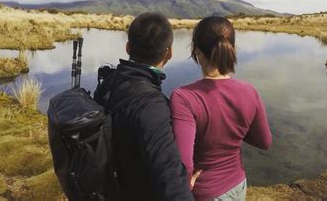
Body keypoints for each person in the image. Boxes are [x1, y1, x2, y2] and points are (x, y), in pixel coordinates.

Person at [170, 16, 272, 201]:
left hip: (205, 192)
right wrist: (235, 128)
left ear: (197, 51)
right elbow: (264, 141)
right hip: (238, 185)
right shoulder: (250, 91)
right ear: (232, 48)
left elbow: (184, 161)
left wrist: (185, 184)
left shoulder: (183, 97)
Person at [95, 12, 194, 201]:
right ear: (169, 53)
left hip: (111, 186)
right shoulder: (151, 105)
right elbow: (170, 175)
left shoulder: (110, 80)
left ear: (128, 48)